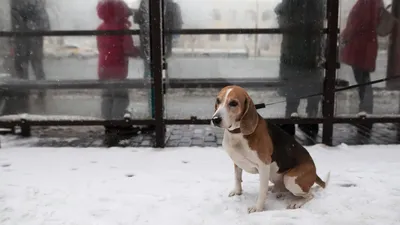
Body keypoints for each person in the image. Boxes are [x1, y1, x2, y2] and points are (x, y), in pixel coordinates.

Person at [274, 0, 324, 139]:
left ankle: (290, 118)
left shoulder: (290, 6)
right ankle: (311, 120)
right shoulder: (317, 5)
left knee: (292, 88)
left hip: (293, 52)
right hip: (312, 51)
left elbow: (280, 13)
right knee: (312, 87)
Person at [96, 0, 140, 146]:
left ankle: (108, 125)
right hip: (118, 68)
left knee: (107, 97)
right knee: (120, 98)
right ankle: (118, 126)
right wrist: (139, 51)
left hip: (103, 68)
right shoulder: (122, 28)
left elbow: (100, 47)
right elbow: (128, 49)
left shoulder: (101, 27)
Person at [134, 0, 183, 125]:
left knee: (152, 79)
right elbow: (176, 25)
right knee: (159, 77)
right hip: (162, 48)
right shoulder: (171, 6)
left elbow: (138, 19)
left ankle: (155, 112)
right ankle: (158, 111)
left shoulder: (146, 3)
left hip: (150, 48)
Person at [340, 0, 383, 116]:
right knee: (364, 78)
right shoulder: (375, 2)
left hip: (360, 46)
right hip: (366, 46)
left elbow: (357, 23)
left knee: (362, 79)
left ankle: (365, 111)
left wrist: (344, 36)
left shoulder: (366, 2)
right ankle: (365, 109)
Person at [10, 0, 50, 113]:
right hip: (33, 31)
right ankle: (37, 88)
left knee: (24, 62)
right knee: (34, 62)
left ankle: (24, 89)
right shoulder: (35, 4)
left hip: (26, 32)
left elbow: (17, 15)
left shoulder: (19, 4)